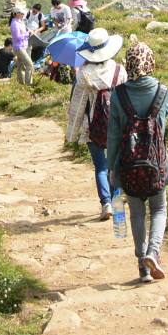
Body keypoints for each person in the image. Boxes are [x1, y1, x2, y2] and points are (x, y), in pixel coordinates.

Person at [106, 41, 168, 282]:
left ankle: (142, 265)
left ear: (129, 64)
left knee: (136, 213)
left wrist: (111, 168)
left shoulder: (118, 95)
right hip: (157, 166)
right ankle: (153, 252)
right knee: (159, 209)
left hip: (128, 166)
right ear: (150, 62)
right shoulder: (162, 92)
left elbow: (113, 136)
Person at [65, 27, 126, 217]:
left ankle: (105, 203)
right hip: (116, 125)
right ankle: (117, 204)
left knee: (100, 166)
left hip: (92, 126)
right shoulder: (119, 70)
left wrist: (71, 134)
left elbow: (77, 105)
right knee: (115, 165)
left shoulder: (83, 74)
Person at [7, 1, 36, 87]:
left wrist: (28, 31)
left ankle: (21, 83)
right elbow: (17, 37)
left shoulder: (20, 21)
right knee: (30, 65)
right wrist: (28, 34)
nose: (23, 14)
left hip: (22, 46)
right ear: (16, 14)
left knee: (21, 65)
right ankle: (29, 84)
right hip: (19, 47)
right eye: (21, 13)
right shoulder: (14, 24)